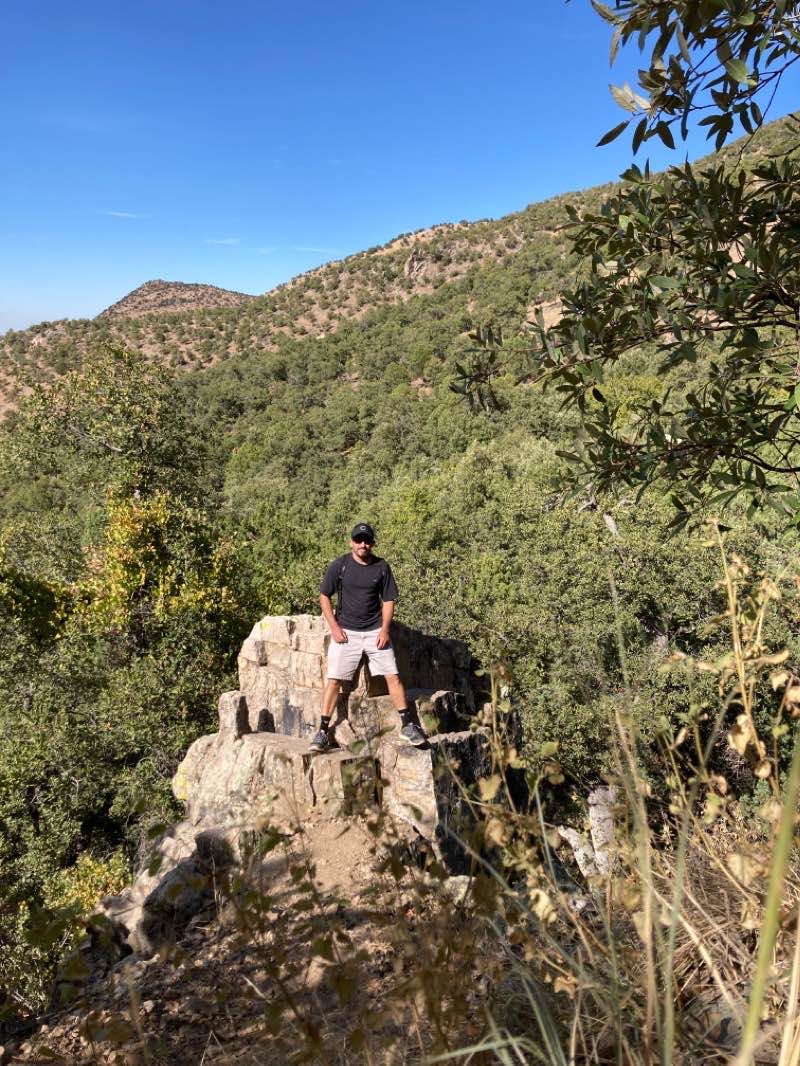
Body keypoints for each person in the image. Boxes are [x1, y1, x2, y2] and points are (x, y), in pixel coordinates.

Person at [309, 522, 426, 753]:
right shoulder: (340, 566)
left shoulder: (381, 567)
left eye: (367, 540)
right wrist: (333, 626)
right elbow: (324, 596)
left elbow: (389, 600)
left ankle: (407, 725)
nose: (363, 544)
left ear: (372, 543)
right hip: (346, 633)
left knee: (393, 676)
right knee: (334, 680)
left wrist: (384, 630)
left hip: (374, 632)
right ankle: (323, 730)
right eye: (359, 540)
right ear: (351, 542)